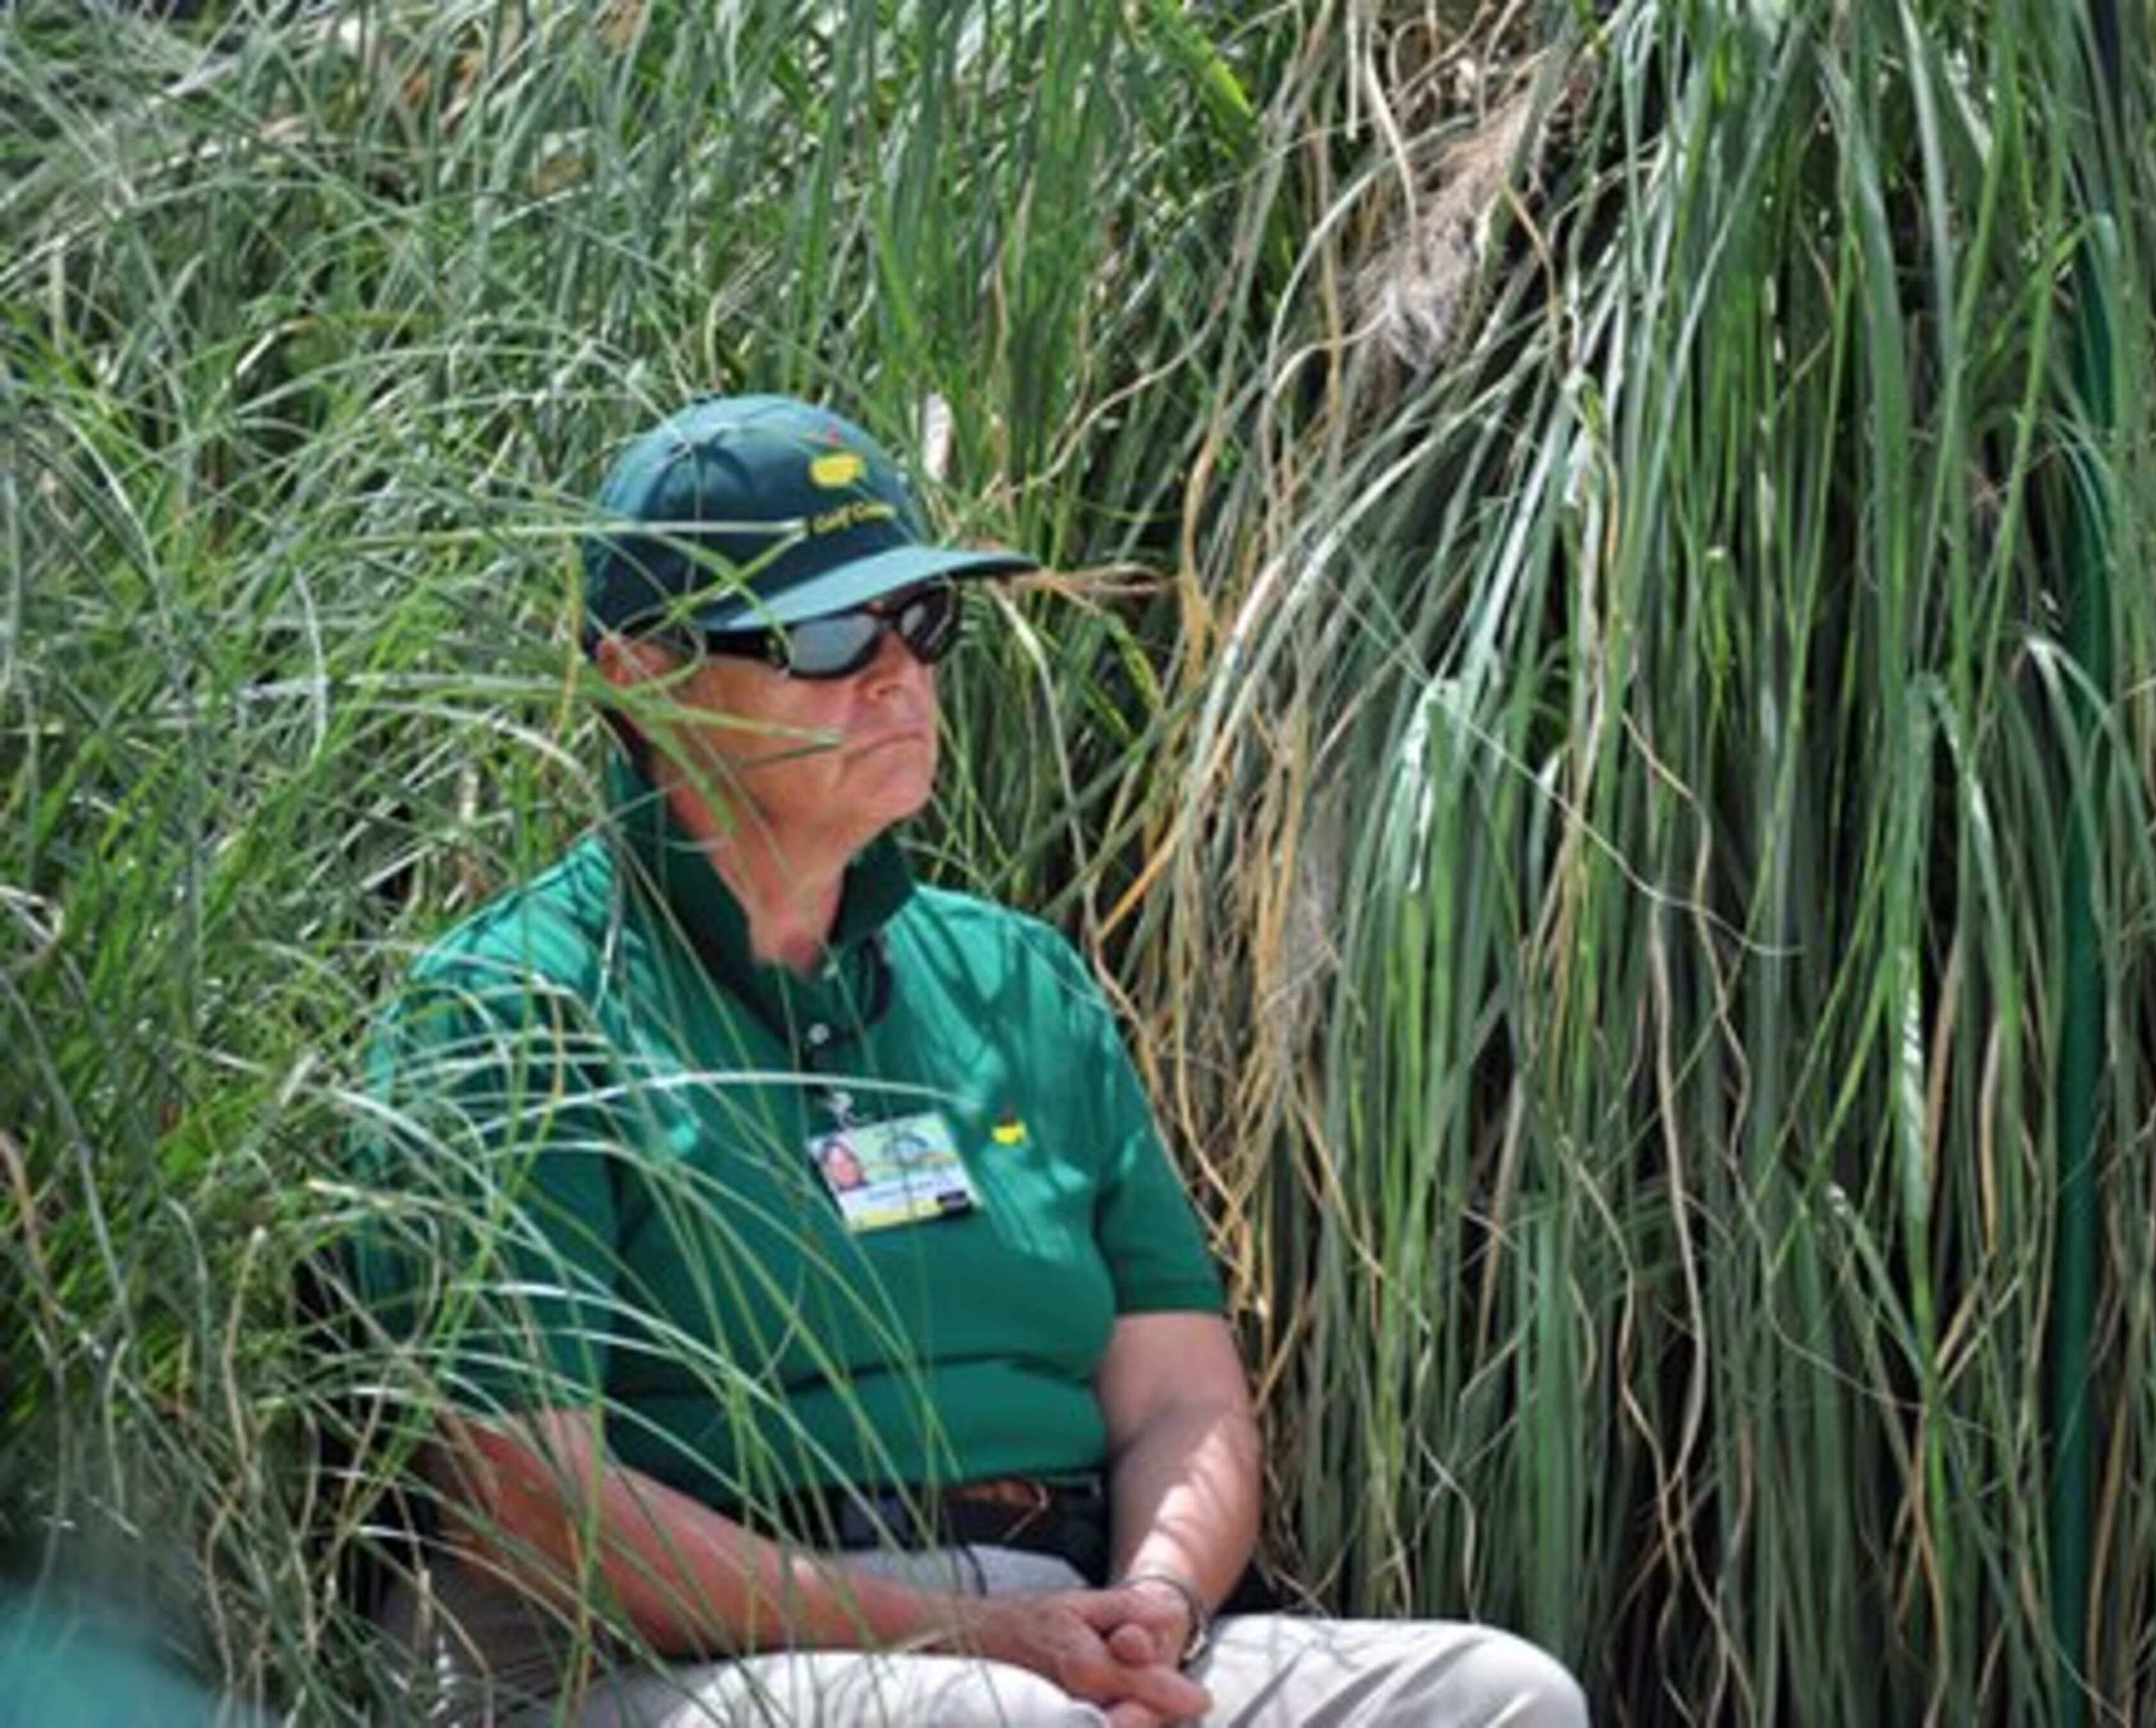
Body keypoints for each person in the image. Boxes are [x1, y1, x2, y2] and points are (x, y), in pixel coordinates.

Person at [347, 394, 1588, 1726]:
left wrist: (1153, 1615)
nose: (896, 675)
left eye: (922, 622)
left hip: (1058, 1623)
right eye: (823, 635)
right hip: (664, 1656)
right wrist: (980, 1641)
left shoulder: (1017, 981)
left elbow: (1180, 1392)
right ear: (641, 674)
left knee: (1497, 1695)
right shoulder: (512, 1006)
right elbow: (531, 1494)